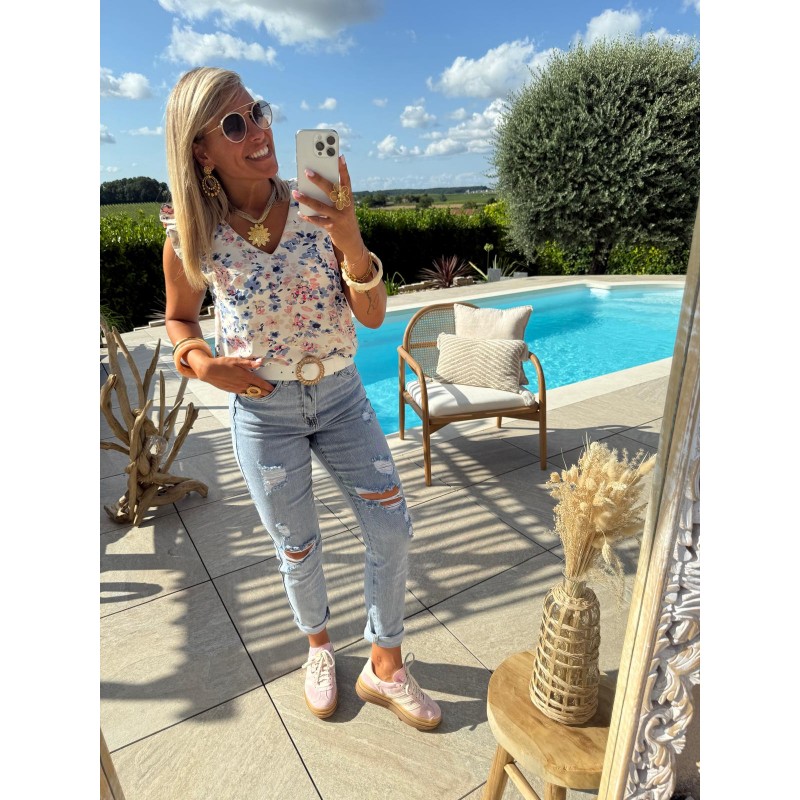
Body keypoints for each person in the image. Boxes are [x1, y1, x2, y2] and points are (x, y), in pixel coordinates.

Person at [160, 66, 441, 731]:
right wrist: (202, 364)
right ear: (201, 150)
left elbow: (372, 314)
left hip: (341, 396)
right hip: (264, 413)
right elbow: (179, 318)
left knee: (391, 527)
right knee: (297, 546)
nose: (258, 130)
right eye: (235, 124)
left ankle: (384, 664)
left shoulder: (319, 205)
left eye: (257, 111)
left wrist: (350, 237)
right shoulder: (191, 234)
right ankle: (319, 647)